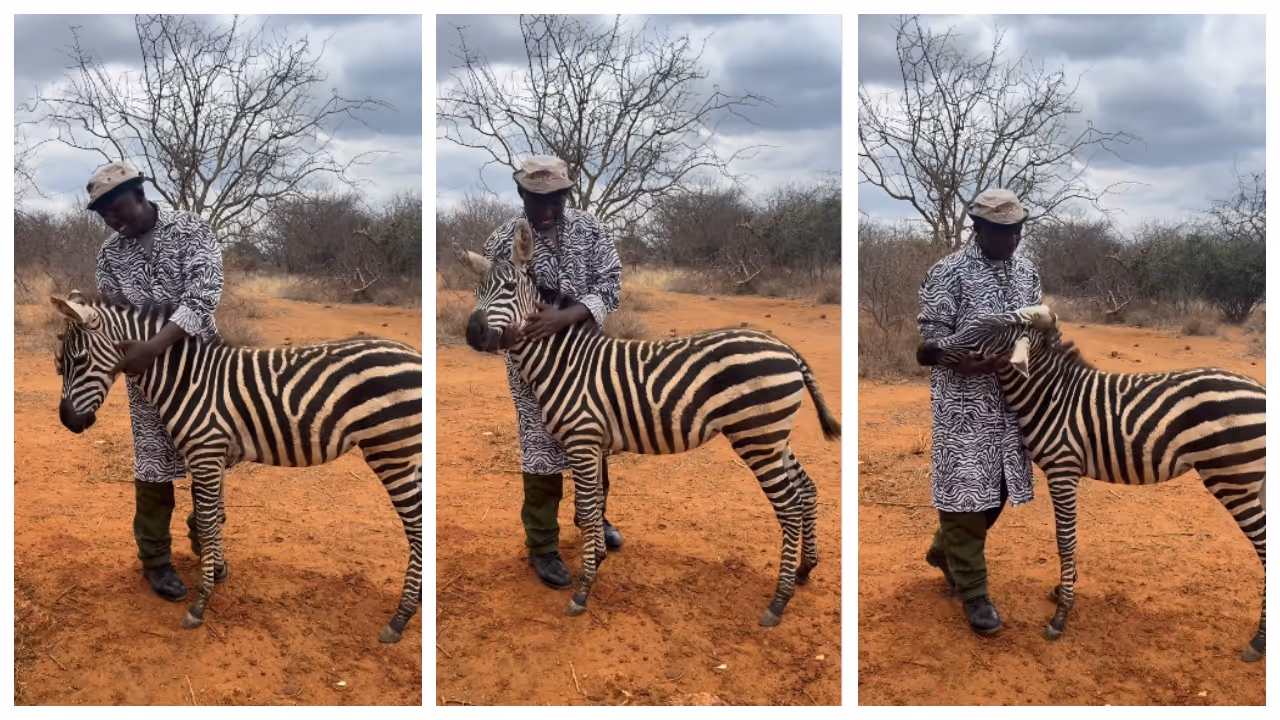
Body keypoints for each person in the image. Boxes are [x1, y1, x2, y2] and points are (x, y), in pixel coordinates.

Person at [481, 155, 625, 589]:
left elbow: (611, 285)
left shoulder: (590, 229)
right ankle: (543, 545)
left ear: (567, 194)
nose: (546, 210)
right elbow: (494, 306)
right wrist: (505, 337)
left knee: (592, 441)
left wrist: (566, 317)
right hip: (534, 372)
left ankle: (593, 520)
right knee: (540, 447)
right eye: (536, 199)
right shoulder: (500, 241)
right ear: (521, 193)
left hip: (588, 360)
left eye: (555, 200)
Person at [86, 162, 226, 602]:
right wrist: (129, 350)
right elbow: (113, 310)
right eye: (103, 214)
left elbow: (203, 295)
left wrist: (156, 344)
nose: (112, 220)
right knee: (153, 465)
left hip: (203, 369)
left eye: (117, 208)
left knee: (209, 458)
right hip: (148, 378)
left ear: (140, 194)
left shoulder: (191, 230)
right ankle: (155, 560)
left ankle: (207, 544)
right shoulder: (110, 255)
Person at [914, 188, 1042, 636]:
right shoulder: (947, 273)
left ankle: (944, 551)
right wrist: (966, 363)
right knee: (967, 492)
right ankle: (974, 590)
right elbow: (926, 349)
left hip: (1014, 401)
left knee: (1002, 486)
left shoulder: (1027, 273)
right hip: (964, 403)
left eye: (1018, 231)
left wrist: (1031, 348)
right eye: (1003, 232)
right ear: (979, 229)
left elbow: (1033, 329)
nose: (1012, 241)